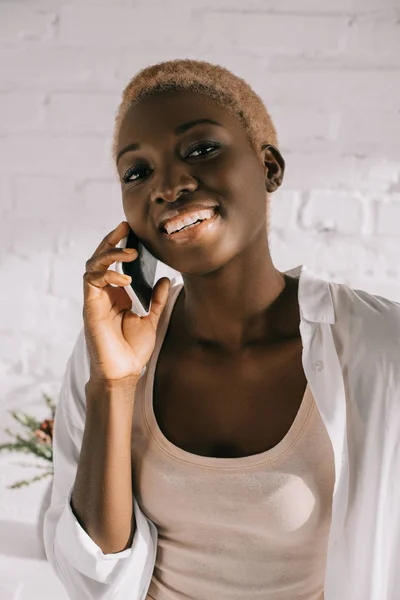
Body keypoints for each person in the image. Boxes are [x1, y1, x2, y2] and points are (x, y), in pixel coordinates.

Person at [43, 59, 400, 600]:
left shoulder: (380, 348)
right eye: (137, 172)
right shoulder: (112, 352)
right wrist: (113, 386)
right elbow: (91, 575)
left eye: (201, 149)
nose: (169, 184)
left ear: (269, 168)